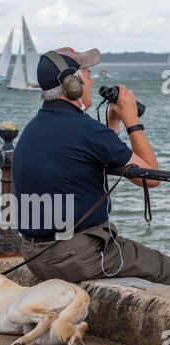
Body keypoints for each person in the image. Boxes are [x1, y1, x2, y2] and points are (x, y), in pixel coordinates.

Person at [12, 47, 170, 284]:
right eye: (87, 75)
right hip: (74, 256)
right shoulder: (86, 129)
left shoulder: (34, 126)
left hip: (35, 255)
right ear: (72, 85)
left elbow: (91, 151)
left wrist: (113, 120)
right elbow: (151, 177)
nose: (93, 81)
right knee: (164, 267)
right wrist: (132, 121)